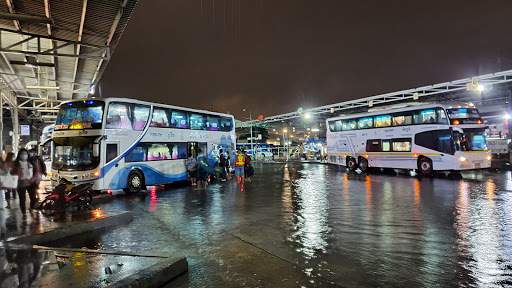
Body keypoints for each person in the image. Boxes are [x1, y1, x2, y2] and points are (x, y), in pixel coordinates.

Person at [11, 149, 37, 215]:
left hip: (31, 182)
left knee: (33, 197)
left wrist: (34, 178)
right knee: (22, 199)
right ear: (19, 155)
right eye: (22, 154)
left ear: (28, 155)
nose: (24, 155)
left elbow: (36, 171)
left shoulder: (31, 163)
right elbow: (12, 172)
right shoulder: (16, 164)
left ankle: (31, 208)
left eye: (25, 154)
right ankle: (24, 213)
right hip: (20, 183)